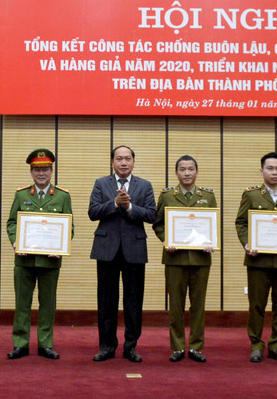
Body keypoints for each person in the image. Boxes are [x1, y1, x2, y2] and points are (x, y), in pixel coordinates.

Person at [89, 145, 156, 363]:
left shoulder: (144, 185)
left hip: (134, 250)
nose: (124, 162)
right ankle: (107, 346)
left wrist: (129, 208)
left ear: (134, 162)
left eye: (128, 158)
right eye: (119, 159)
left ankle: (131, 347)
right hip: (106, 249)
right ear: (112, 162)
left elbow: (152, 215)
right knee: (106, 301)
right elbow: (92, 212)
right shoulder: (101, 183)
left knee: (133, 302)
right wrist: (113, 203)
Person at [235, 152, 277, 363]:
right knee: (257, 305)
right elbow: (241, 222)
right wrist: (247, 243)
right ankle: (256, 344)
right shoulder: (252, 195)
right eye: (270, 168)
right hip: (258, 261)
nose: (275, 172)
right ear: (262, 171)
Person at [6, 148, 74, 360]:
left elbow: (69, 227)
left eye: (45, 169)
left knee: (47, 305)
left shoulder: (62, 197)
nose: (41, 173)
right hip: (24, 260)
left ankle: (45, 344)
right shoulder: (21, 195)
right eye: (37, 169)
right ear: (31, 172)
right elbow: (11, 223)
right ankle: (21, 343)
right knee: (22, 303)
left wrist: (60, 246)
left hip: (50, 262)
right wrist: (16, 240)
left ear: (52, 171)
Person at [152, 155, 216, 363]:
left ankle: (196, 347)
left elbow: (212, 224)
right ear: (176, 172)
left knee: (198, 305)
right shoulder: (167, 196)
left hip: (200, 259)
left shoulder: (208, 196)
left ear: (197, 172)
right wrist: (165, 239)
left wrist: (210, 241)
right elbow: (158, 223)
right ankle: (178, 347)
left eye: (190, 169)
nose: (187, 173)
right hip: (175, 258)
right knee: (176, 305)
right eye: (182, 169)